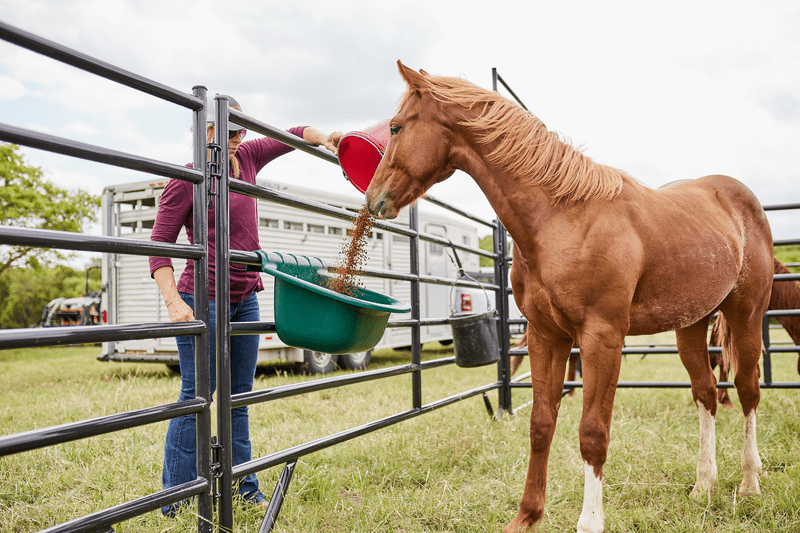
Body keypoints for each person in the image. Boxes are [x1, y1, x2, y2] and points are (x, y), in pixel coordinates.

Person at [149, 94, 342, 515]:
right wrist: (173, 304)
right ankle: (177, 496)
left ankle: (244, 486)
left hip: (243, 298)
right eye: (229, 131)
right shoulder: (187, 178)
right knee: (197, 395)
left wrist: (325, 137)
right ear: (207, 131)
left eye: (241, 130)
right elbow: (159, 244)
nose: (238, 138)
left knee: (240, 396)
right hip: (201, 298)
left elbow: (291, 135)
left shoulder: (248, 157)